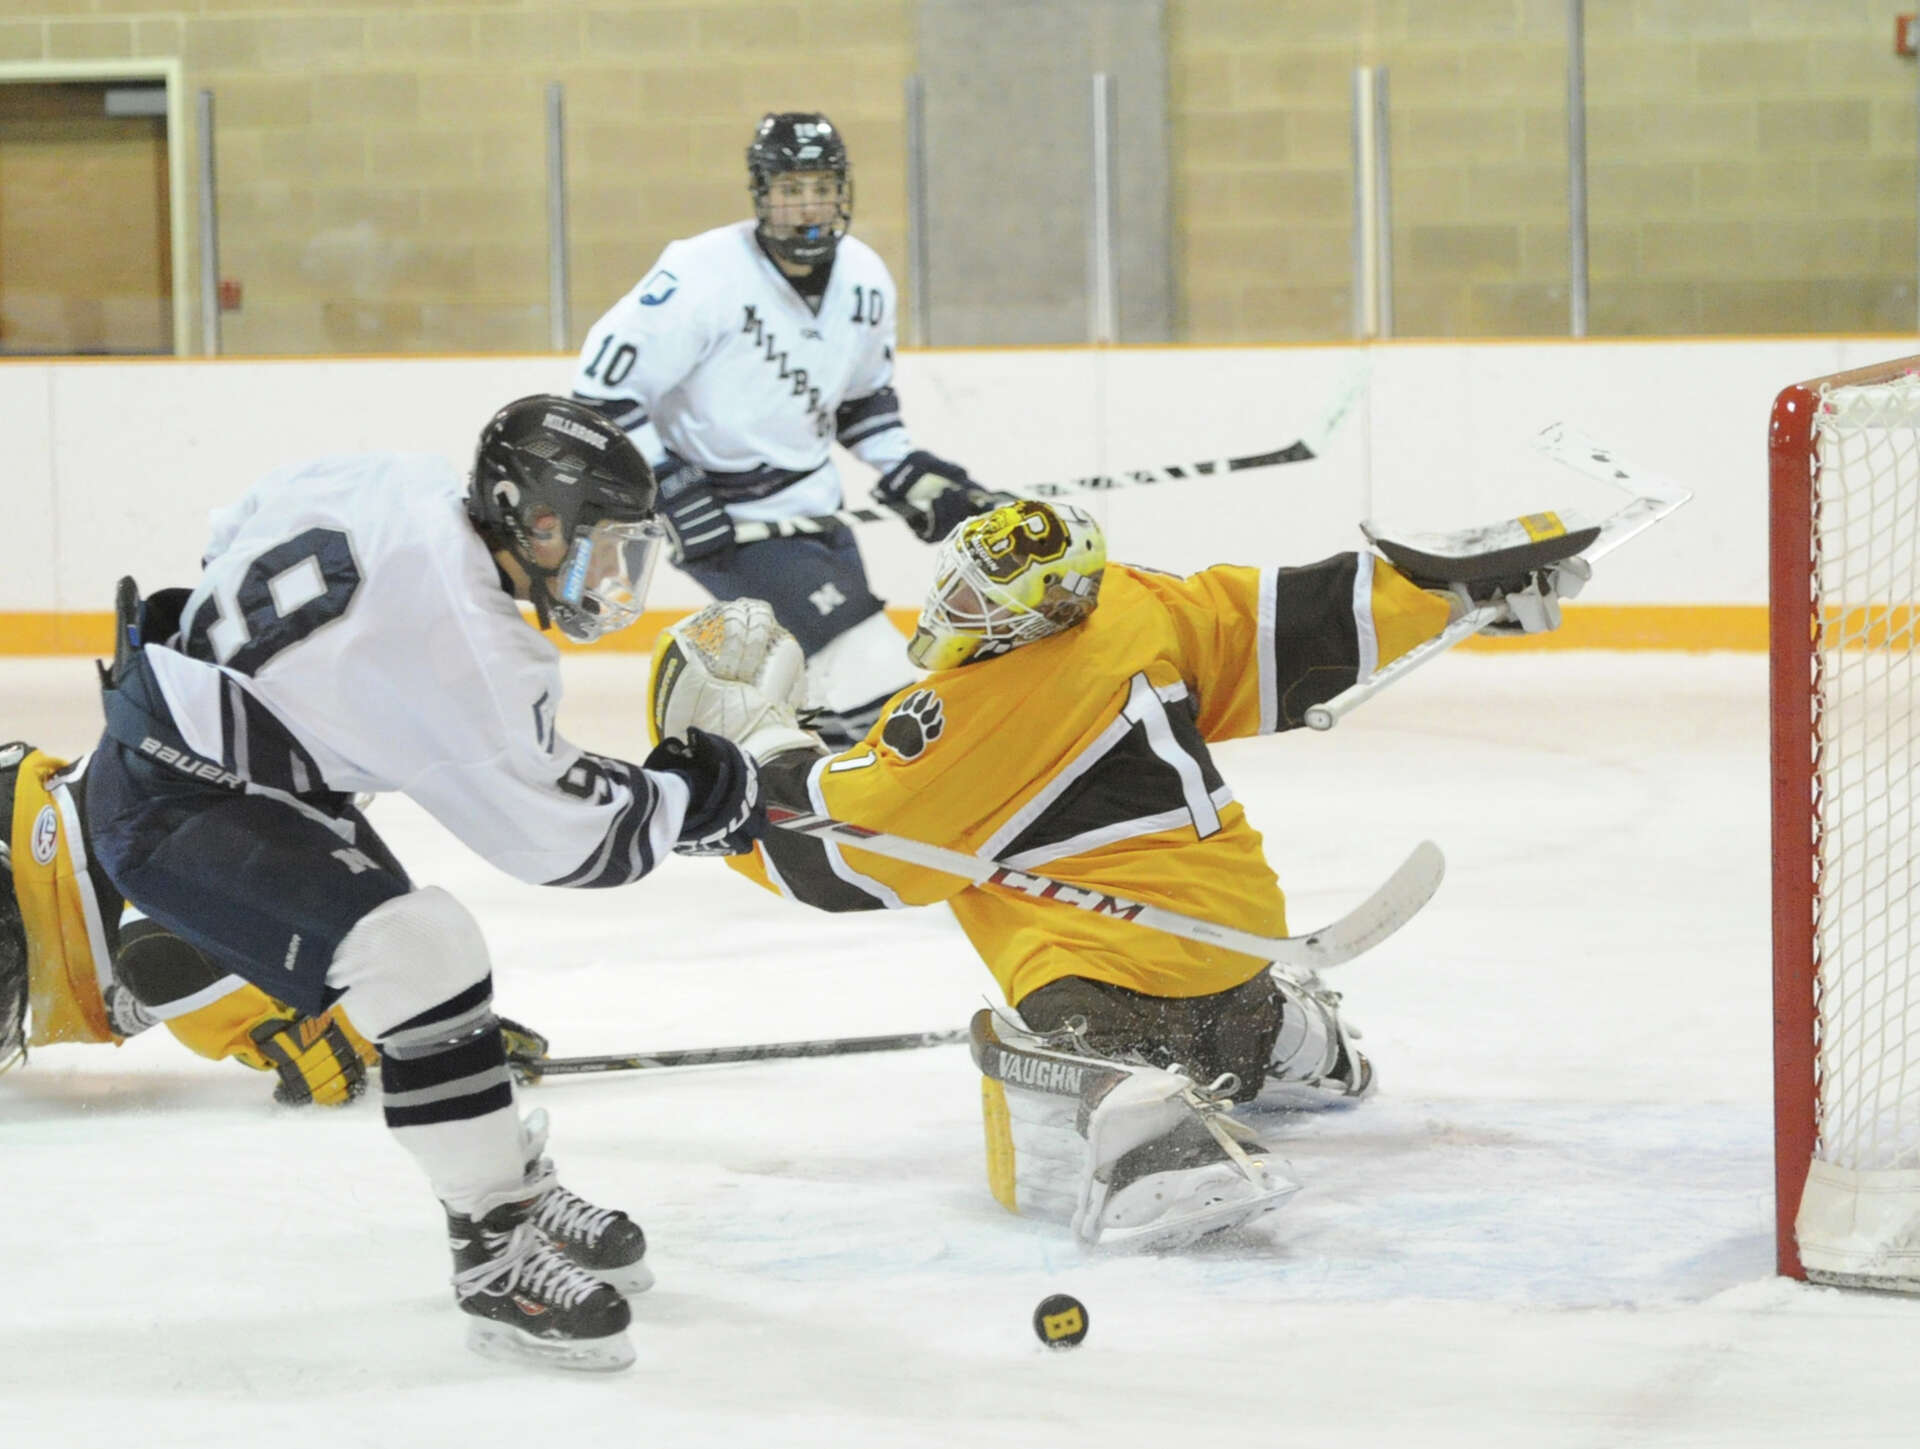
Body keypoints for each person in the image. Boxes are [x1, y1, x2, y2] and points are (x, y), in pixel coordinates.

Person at [647, 498, 1589, 1250]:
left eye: (981, 603)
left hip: (1110, 1001)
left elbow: (840, 851)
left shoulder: (973, 719)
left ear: (1042, 609)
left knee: (1020, 1044)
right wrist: (1457, 591)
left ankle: (1146, 1130)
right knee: (1207, 970)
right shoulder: (1133, 605)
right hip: (1237, 960)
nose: (954, 614)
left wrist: (744, 752)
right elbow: (1282, 624)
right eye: (959, 588)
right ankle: (1281, 1036)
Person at [80, 395, 765, 1372]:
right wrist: (698, 794)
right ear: (514, 511)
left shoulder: (389, 480)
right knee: (426, 955)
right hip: (177, 812)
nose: (605, 571)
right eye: (587, 540)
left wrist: (312, 693)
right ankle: (495, 1252)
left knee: (420, 969)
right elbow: (563, 838)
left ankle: (508, 1190)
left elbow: (227, 535)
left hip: (220, 764)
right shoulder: (474, 642)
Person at [570, 110, 1006, 748]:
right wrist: (667, 485)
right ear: (762, 193)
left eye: (822, 188)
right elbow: (598, 395)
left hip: (815, 511)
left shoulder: (864, 278)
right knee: (870, 672)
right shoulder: (699, 274)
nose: (807, 206)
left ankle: (801, 813)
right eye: (790, 189)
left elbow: (862, 403)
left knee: (816, 692)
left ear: (842, 193)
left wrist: (908, 470)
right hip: (725, 523)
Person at [1, 738, 548, 1108]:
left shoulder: (259, 778)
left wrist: (417, 1021)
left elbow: (175, 946)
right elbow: (163, 954)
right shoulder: (235, 773)